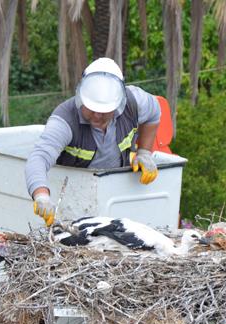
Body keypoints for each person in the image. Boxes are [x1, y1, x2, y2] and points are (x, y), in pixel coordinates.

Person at [25, 57, 161, 226]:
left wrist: (144, 152)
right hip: (73, 200)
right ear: (81, 97)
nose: (97, 115)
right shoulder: (65, 120)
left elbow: (154, 112)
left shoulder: (134, 102)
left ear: (119, 102)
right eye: (92, 108)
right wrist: (41, 195)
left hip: (116, 195)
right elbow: (39, 157)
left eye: (104, 111)